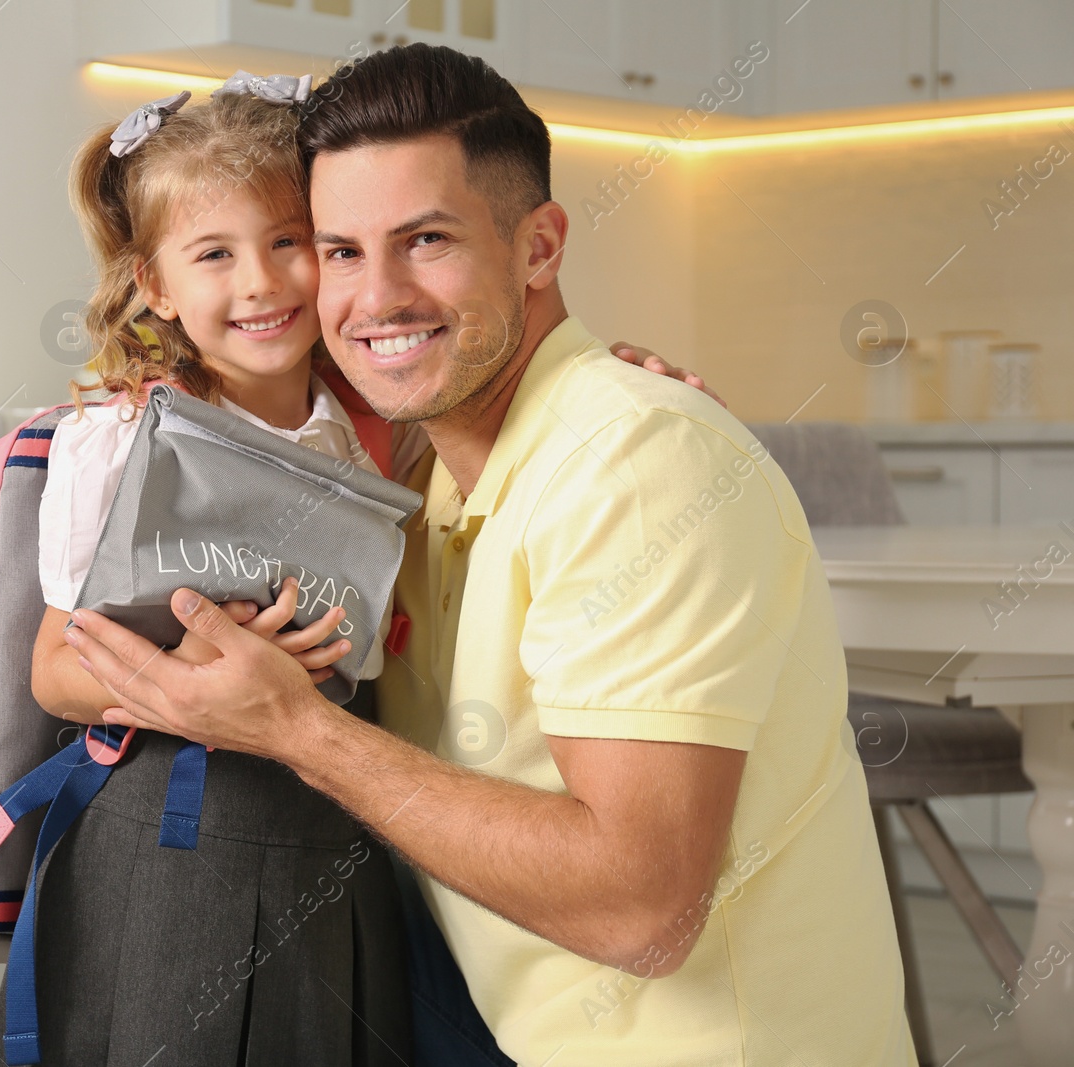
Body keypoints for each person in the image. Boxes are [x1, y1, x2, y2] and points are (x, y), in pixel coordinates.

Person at [51, 45, 918, 1067]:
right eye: (337, 250)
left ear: (538, 247)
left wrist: (295, 729)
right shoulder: (417, 481)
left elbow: (641, 911)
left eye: (425, 240)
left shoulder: (635, 464)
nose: (375, 297)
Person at [0, 61, 737, 1067]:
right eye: (213, 254)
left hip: (339, 825)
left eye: (292, 243)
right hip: (180, 829)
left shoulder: (377, 428)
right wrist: (223, 684)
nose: (260, 280)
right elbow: (53, 666)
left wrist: (604, 378)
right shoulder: (126, 437)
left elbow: (516, 420)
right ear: (153, 284)